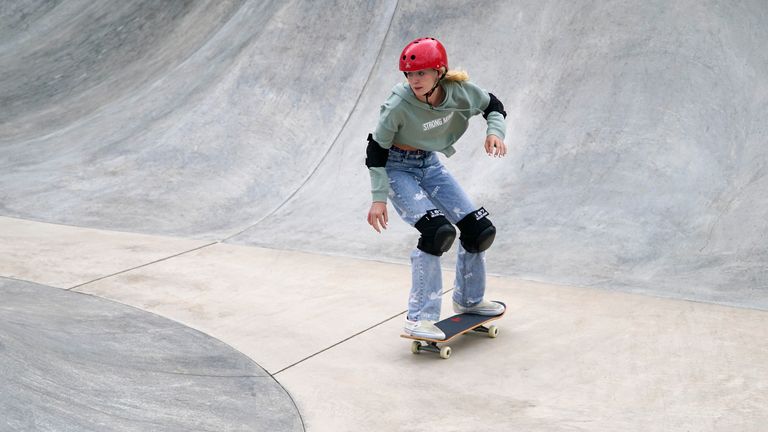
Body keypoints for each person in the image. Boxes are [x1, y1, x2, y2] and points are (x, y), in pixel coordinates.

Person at [365, 37, 508, 340]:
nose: (414, 80)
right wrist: (379, 199)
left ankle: (468, 301)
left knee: (478, 229)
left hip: (429, 164)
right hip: (396, 166)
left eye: (421, 73)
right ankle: (419, 318)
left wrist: (495, 132)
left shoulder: (459, 92)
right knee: (436, 232)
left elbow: (493, 105)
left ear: (439, 72)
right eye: (409, 74)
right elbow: (375, 150)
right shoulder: (398, 104)